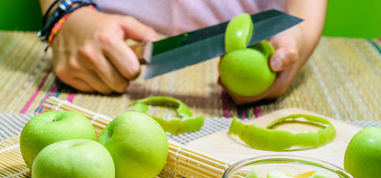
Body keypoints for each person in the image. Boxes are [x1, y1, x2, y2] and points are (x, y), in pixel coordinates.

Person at [39, 0, 327, 105]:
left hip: (260, 35)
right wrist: (65, 13)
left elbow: (302, 18)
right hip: (106, 43)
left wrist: (303, 29)